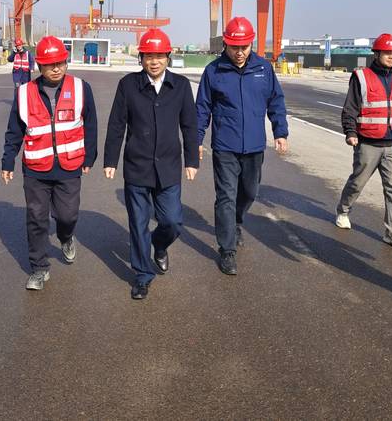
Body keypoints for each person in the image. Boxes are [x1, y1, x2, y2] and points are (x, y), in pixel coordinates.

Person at [103, 29, 199, 300]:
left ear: (168, 57)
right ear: (141, 58)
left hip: (169, 166)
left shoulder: (180, 86)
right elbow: (117, 124)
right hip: (137, 166)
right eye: (148, 56)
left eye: (159, 56)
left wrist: (192, 160)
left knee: (173, 221)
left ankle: (159, 244)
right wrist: (110, 159)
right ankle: (142, 276)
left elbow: (189, 125)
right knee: (138, 223)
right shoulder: (128, 85)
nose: (154, 61)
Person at [1, 36, 98, 290]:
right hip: (36, 168)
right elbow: (14, 129)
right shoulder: (24, 93)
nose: (56, 69)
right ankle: (39, 268)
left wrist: (90, 156)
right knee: (36, 218)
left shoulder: (81, 88)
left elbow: (91, 123)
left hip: (69, 166)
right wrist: (8, 160)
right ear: (40, 66)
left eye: (60, 63)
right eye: (49, 64)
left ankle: (66, 237)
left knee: (67, 215)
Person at [196, 16, 288, 275]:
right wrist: (197, 140)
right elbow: (202, 108)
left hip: (255, 145)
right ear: (225, 44)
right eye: (234, 47)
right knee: (226, 196)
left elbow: (276, 100)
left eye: (244, 47)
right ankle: (227, 250)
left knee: (249, 191)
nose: (239, 52)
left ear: (251, 44)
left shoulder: (263, 69)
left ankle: (236, 220)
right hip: (225, 145)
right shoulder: (214, 71)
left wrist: (280, 131)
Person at [336, 33, 392, 250]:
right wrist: (350, 132)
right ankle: (343, 211)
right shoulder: (361, 77)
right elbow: (350, 108)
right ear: (376, 54)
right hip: (367, 143)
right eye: (387, 52)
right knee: (357, 183)